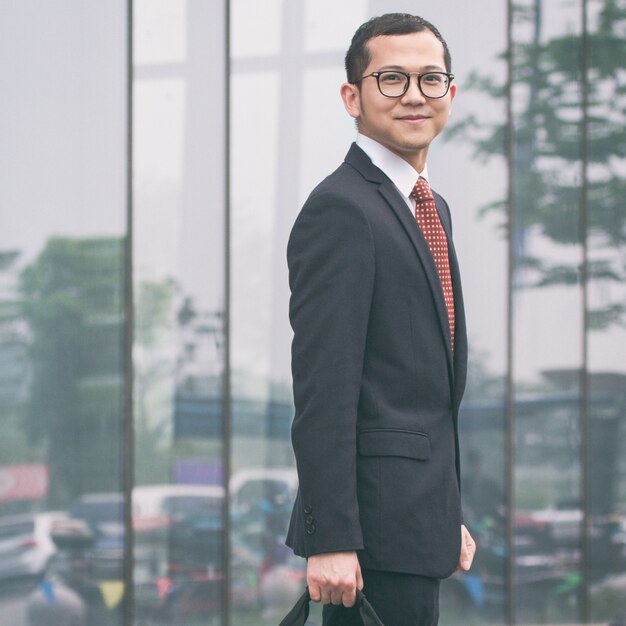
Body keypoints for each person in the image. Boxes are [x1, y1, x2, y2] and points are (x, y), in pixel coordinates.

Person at [285, 13, 476, 626]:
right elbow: (324, 391)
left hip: (415, 526)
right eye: (391, 79)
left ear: (451, 92)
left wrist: (445, 512)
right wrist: (331, 537)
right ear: (353, 96)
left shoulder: (429, 205)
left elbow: (415, 392)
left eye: (429, 78)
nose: (414, 94)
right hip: (366, 545)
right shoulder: (342, 209)